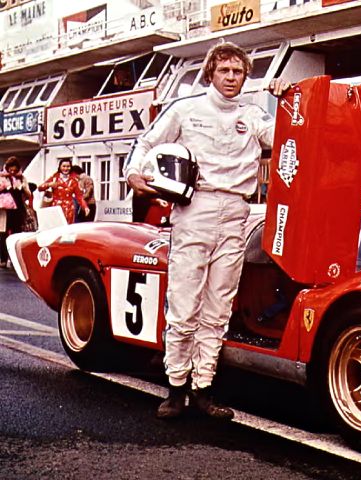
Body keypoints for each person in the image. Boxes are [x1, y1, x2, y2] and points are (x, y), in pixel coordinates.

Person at [125, 41, 289, 420]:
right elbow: (147, 141)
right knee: (184, 305)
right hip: (194, 208)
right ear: (211, 73)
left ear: (246, 76)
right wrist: (134, 174)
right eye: (224, 71)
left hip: (237, 212)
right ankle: (175, 388)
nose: (231, 78)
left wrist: (286, 99)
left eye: (238, 72)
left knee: (218, 308)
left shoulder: (253, 115)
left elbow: (287, 138)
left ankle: (204, 389)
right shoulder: (186, 108)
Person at [0, 157, 32, 268]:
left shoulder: (22, 178)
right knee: (3, 234)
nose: (12, 172)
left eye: (14, 170)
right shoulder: (2, 177)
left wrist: (23, 188)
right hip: (5, 211)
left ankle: (15, 259)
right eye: (10, 170)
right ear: (7, 168)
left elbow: (28, 194)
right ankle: (3, 259)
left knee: (17, 234)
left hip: (18, 210)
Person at [38, 158, 89, 224]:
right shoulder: (54, 178)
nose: (66, 168)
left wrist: (85, 207)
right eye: (64, 166)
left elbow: (79, 196)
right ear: (60, 167)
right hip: (56, 208)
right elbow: (40, 188)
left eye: (68, 166)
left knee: (67, 230)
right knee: (56, 228)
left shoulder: (74, 180)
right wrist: (49, 184)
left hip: (69, 209)